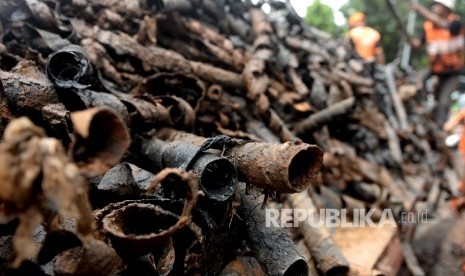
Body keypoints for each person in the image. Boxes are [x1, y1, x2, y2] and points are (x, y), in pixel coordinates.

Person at [409, 0, 464, 125]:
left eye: (438, 5)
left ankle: (439, 126)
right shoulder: (428, 26)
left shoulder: (455, 22)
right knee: (417, 83)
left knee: (444, 102)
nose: (434, 7)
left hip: (452, 72)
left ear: (446, 8)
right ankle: (420, 111)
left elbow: (444, 25)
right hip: (434, 69)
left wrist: (419, 9)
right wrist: (408, 38)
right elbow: (417, 43)